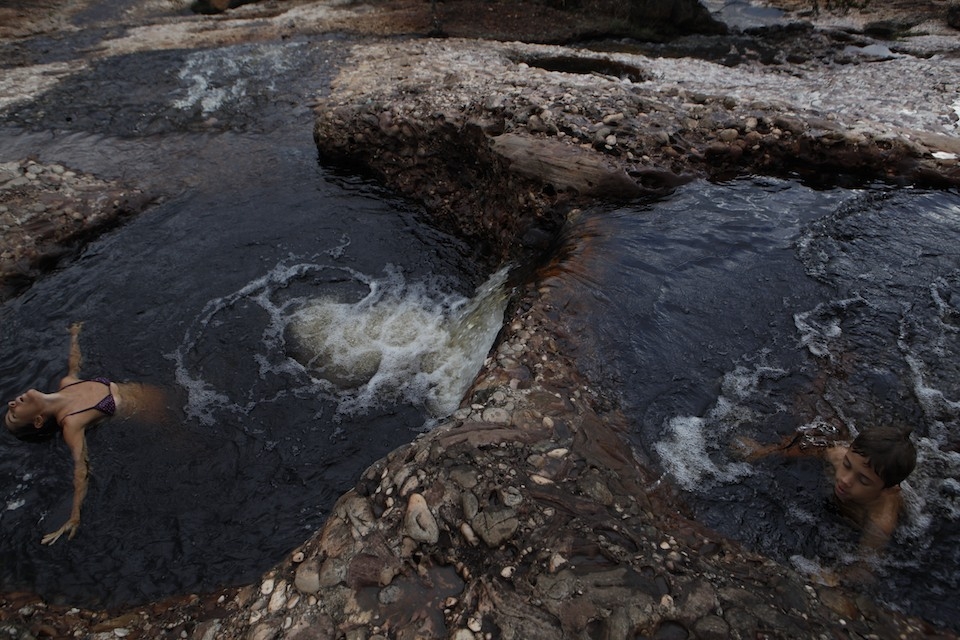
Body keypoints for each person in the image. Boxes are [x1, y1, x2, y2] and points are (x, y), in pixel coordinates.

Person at [3, 322, 168, 545]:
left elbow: (74, 364)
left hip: (158, 391)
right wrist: (74, 516)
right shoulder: (71, 423)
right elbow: (81, 469)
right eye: (14, 414)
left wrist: (74, 336)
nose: (12, 403)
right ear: (38, 421)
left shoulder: (67, 383)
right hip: (157, 416)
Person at [736, 424, 917, 554]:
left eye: (863, 480)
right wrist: (761, 453)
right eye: (847, 465)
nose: (845, 480)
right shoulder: (840, 455)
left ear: (889, 490)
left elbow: (864, 567)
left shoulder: (880, 521)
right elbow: (811, 445)